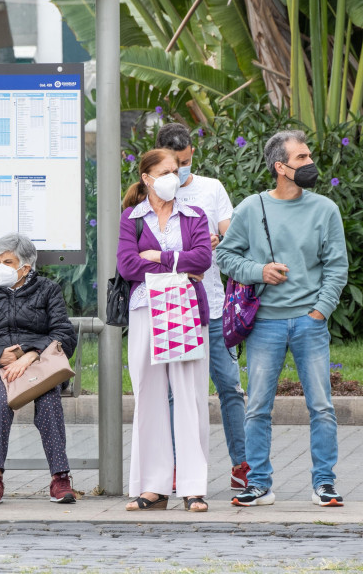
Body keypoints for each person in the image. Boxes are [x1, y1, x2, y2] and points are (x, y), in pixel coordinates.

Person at [216, 130, 348, 508]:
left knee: (321, 406)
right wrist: (259, 271)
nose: (309, 163)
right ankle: (258, 483)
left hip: (310, 322)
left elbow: (337, 267)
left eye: (308, 156)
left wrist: (320, 310)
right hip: (265, 325)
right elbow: (225, 257)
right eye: (302, 158)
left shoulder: (325, 210)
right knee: (258, 406)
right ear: (280, 167)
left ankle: (324, 483)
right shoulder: (251, 208)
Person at [117, 148, 213, 512]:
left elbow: (203, 258)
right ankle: (152, 486)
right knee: (149, 396)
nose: (175, 175)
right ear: (147, 177)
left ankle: (193, 487)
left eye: (177, 169)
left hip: (185, 310)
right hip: (146, 310)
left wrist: (159, 257)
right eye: (166, 170)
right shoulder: (132, 218)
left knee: (189, 397)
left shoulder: (194, 215)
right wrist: (179, 267)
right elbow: (127, 265)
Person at [156, 123, 250, 491]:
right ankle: (179, 468)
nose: (179, 170)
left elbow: (232, 233)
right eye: (173, 163)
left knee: (229, 387)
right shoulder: (153, 193)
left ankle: (242, 464)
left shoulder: (211, 189)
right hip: (171, 308)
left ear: (192, 152)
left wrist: (217, 237)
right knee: (174, 394)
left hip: (211, 307)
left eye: (184, 162)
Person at [0, 233, 78, 505]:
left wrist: (30, 354)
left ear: (26, 265)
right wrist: (0, 356)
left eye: (7, 261)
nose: (1, 267)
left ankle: (60, 476)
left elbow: (65, 336)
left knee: (48, 399)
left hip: (39, 364)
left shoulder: (47, 290)